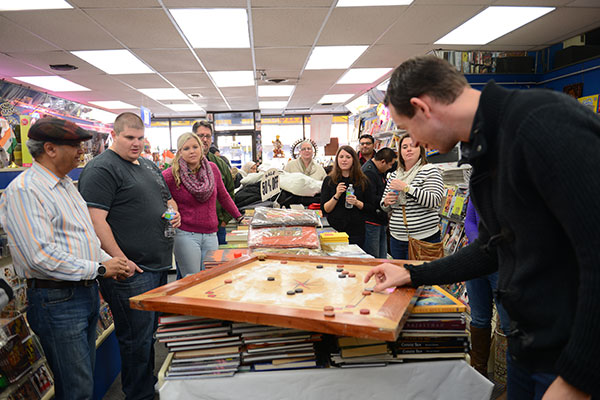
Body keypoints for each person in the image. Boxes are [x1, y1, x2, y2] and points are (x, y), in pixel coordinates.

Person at [365, 55, 600, 399]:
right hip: (529, 352)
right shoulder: (485, 152)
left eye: (409, 129)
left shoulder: (541, 122)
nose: (413, 141)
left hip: (569, 363)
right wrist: (413, 274)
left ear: (422, 108)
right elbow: (492, 247)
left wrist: (578, 377)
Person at [0, 118, 128, 400]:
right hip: (56, 301)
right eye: (75, 146)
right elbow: (39, 257)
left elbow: (85, 240)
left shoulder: (67, 186)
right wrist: (100, 268)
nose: (82, 152)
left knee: (82, 382)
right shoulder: (26, 190)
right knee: (76, 389)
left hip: (82, 294)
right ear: (50, 149)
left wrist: (110, 262)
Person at [78, 112, 181, 400]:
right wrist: (121, 259)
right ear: (114, 134)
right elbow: (96, 220)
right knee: (136, 341)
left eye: (140, 138)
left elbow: (166, 199)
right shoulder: (102, 168)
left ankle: (146, 389)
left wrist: (175, 213)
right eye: (129, 138)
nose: (136, 143)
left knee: (148, 338)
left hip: (157, 266)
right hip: (132, 272)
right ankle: (139, 395)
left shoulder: (147, 165)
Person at [163, 133, 242, 277]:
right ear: (179, 152)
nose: (192, 151)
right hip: (186, 234)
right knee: (192, 279)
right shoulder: (171, 175)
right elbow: (161, 199)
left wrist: (239, 217)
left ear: (201, 148)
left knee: (210, 278)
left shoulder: (212, 169)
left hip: (211, 234)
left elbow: (224, 196)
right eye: (186, 148)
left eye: (195, 146)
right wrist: (170, 214)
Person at [463, 200, 511, 379]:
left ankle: (512, 383)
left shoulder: (513, 182)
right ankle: (478, 373)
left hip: (503, 264)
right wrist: (481, 248)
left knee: (508, 324)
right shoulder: (479, 182)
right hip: (477, 261)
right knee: (479, 319)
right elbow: (469, 221)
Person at [380, 133, 443, 260]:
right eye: (404, 147)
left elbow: (434, 200)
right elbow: (384, 206)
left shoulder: (429, 170)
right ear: (400, 152)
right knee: (401, 278)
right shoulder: (394, 175)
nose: (408, 149)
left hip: (424, 239)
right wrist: (386, 202)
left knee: (425, 278)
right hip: (397, 239)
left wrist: (406, 188)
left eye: (413, 145)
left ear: (421, 149)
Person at [320, 145, 373, 247]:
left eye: (348, 157)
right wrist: (336, 195)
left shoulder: (363, 180)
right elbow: (325, 209)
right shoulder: (329, 180)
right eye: (341, 157)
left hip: (356, 231)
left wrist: (357, 203)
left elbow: (370, 208)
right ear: (337, 160)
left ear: (354, 160)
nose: (344, 160)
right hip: (334, 231)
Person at [192, 120, 234, 245]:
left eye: (208, 136)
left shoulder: (219, 164)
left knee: (217, 263)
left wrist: (225, 220)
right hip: (190, 229)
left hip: (217, 226)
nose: (204, 139)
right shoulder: (182, 165)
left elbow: (229, 192)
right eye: (200, 136)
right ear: (193, 137)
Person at [361, 147, 396, 258]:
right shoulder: (369, 172)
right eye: (390, 165)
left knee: (382, 256)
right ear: (382, 162)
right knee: (374, 257)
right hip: (372, 221)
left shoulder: (377, 170)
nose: (390, 168)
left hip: (379, 219)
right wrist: (385, 201)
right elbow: (370, 198)